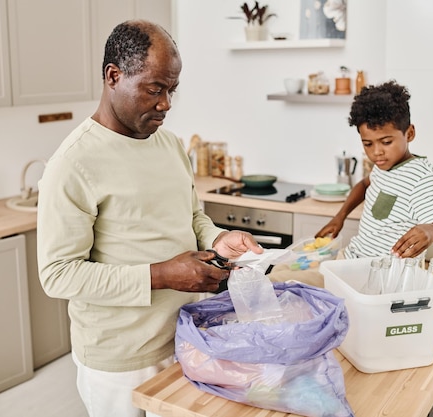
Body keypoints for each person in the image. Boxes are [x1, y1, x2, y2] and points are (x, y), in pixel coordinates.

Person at [36, 20, 263, 417]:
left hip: (185, 338)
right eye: (155, 89)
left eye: (171, 90)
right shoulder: (72, 164)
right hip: (119, 360)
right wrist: (162, 275)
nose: (166, 104)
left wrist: (216, 238)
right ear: (113, 76)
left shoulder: (170, 144)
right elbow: (58, 274)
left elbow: (191, 216)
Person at [316, 80, 433, 259]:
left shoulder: (421, 178)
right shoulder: (383, 165)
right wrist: (340, 216)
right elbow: (364, 185)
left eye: (386, 142)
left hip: (383, 279)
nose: (377, 152)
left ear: (409, 134)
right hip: (351, 258)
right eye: (368, 144)